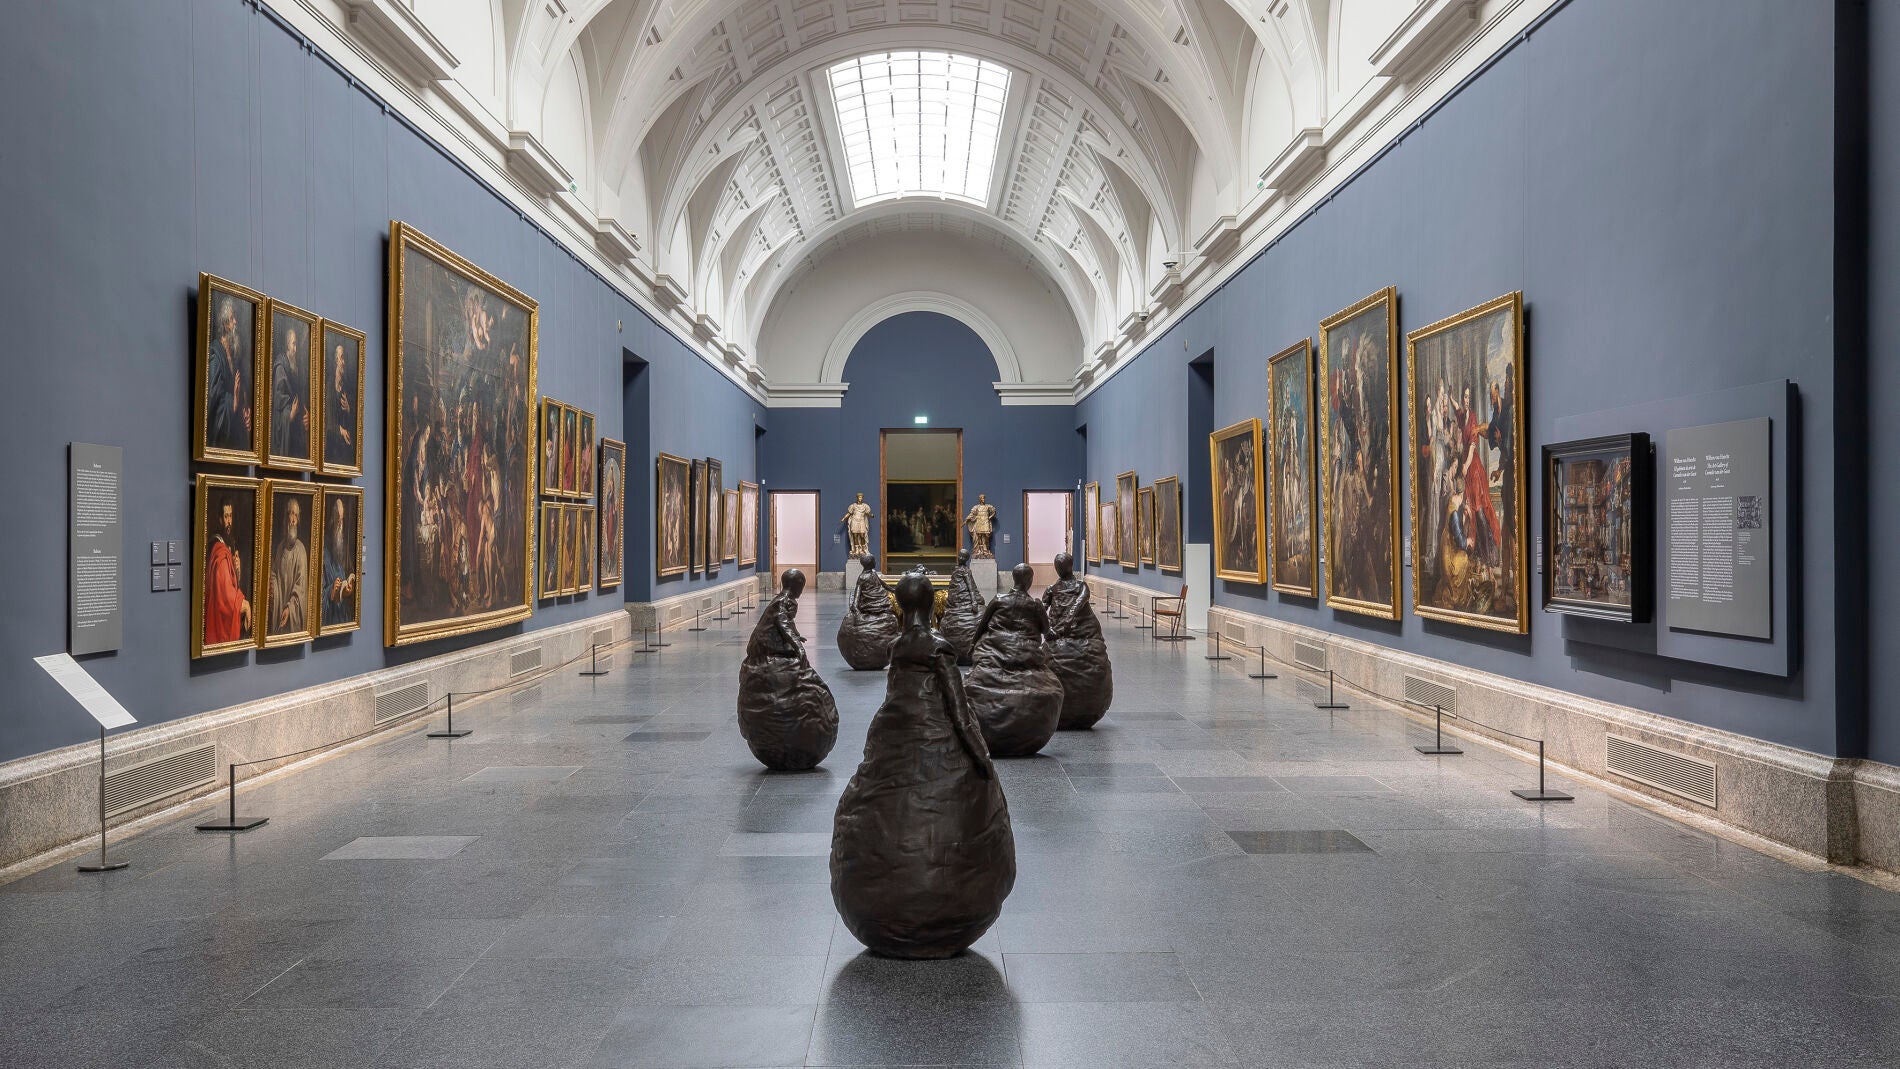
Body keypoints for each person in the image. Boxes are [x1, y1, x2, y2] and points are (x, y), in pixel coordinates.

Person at [830, 569, 1013, 959]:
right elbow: (959, 708)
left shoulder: (896, 645)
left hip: (895, 734)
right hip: (935, 738)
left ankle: (885, 889)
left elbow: (895, 698)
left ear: (898, 605)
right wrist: (980, 755)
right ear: (933, 604)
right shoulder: (938, 647)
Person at [736, 569, 839, 770]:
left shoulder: (780, 599)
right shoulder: (786, 601)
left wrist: (796, 637)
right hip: (767, 647)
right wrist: (798, 647)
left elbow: (787, 625)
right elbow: (784, 625)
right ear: (798, 585)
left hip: (766, 647)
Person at [964, 563, 1064, 757]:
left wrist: (973, 644)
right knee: (1053, 689)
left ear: (1013, 578)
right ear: (1029, 581)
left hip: (993, 653)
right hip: (1025, 656)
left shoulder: (998, 599)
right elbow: (1047, 631)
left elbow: (981, 626)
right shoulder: (1035, 605)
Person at [1042, 552, 1111, 729]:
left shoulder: (1081, 587)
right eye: (1057, 566)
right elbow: (1042, 610)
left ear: (1069, 566)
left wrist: (1061, 626)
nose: (1059, 569)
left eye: (1061, 566)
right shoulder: (1052, 589)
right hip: (1059, 635)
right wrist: (1047, 628)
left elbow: (1076, 607)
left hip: (1083, 634)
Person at [206, 296, 252, 454]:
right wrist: (233, 402)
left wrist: (244, 408)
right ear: (225, 324)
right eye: (232, 319)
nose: (235, 322)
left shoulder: (234, 353)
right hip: (222, 437)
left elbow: (240, 388)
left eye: (235, 318)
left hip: (235, 432)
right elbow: (213, 397)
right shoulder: (215, 354)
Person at [204, 494, 252, 645]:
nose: (229, 521)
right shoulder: (219, 550)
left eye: (230, 516)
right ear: (220, 519)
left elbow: (231, 583)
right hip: (219, 619)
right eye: (225, 517)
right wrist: (244, 604)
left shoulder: (228, 544)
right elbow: (225, 596)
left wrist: (237, 571)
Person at [270, 496, 308, 635]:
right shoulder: (280, 548)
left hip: (291, 616)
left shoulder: (301, 550)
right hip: (279, 610)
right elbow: (274, 574)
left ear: (298, 520)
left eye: (295, 515)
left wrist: (289, 608)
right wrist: (272, 587)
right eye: (290, 514)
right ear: (286, 517)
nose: (292, 519)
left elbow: (300, 588)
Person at [271, 323, 308, 460]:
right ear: (287, 344)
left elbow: (299, 400)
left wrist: (305, 415)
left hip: (295, 433)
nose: (296, 349)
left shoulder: (296, 368)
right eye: (293, 344)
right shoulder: (280, 367)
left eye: (297, 344)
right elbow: (278, 407)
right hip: (284, 433)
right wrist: (290, 415)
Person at [322, 496, 357, 627]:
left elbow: (350, 573)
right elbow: (315, 594)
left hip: (342, 617)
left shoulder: (342, 546)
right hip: (329, 619)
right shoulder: (322, 547)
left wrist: (348, 590)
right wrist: (331, 591)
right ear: (331, 519)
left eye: (341, 519)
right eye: (337, 519)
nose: (340, 524)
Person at [325, 342, 354, 466]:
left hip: (344, 447)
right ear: (336, 360)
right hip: (332, 447)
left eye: (344, 359)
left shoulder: (345, 387)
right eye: (341, 358)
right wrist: (340, 430)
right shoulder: (329, 386)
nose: (344, 362)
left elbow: (352, 420)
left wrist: (348, 408)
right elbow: (327, 420)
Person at [964, 493, 999, 559]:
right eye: (982, 498)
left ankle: (985, 550)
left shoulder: (988, 506)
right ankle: (979, 550)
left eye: (984, 498)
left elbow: (994, 511)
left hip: (985, 523)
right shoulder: (976, 507)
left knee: (986, 536)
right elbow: (972, 514)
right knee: (979, 536)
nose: (983, 499)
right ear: (980, 499)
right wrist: (966, 519)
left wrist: (989, 517)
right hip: (979, 523)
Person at [841, 492, 873, 558]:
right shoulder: (853, 506)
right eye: (859, 497)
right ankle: (857, 550)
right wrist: (844, 518)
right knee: (855, 536)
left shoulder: (865, 506)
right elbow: (849, 513)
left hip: (861, 521)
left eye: (861, 497)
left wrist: (871, 515)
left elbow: (868, 513)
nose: (860, 498)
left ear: (862, 498)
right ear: (857, 498)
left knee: (862, 535)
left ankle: (863, 549)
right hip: (854, 521)